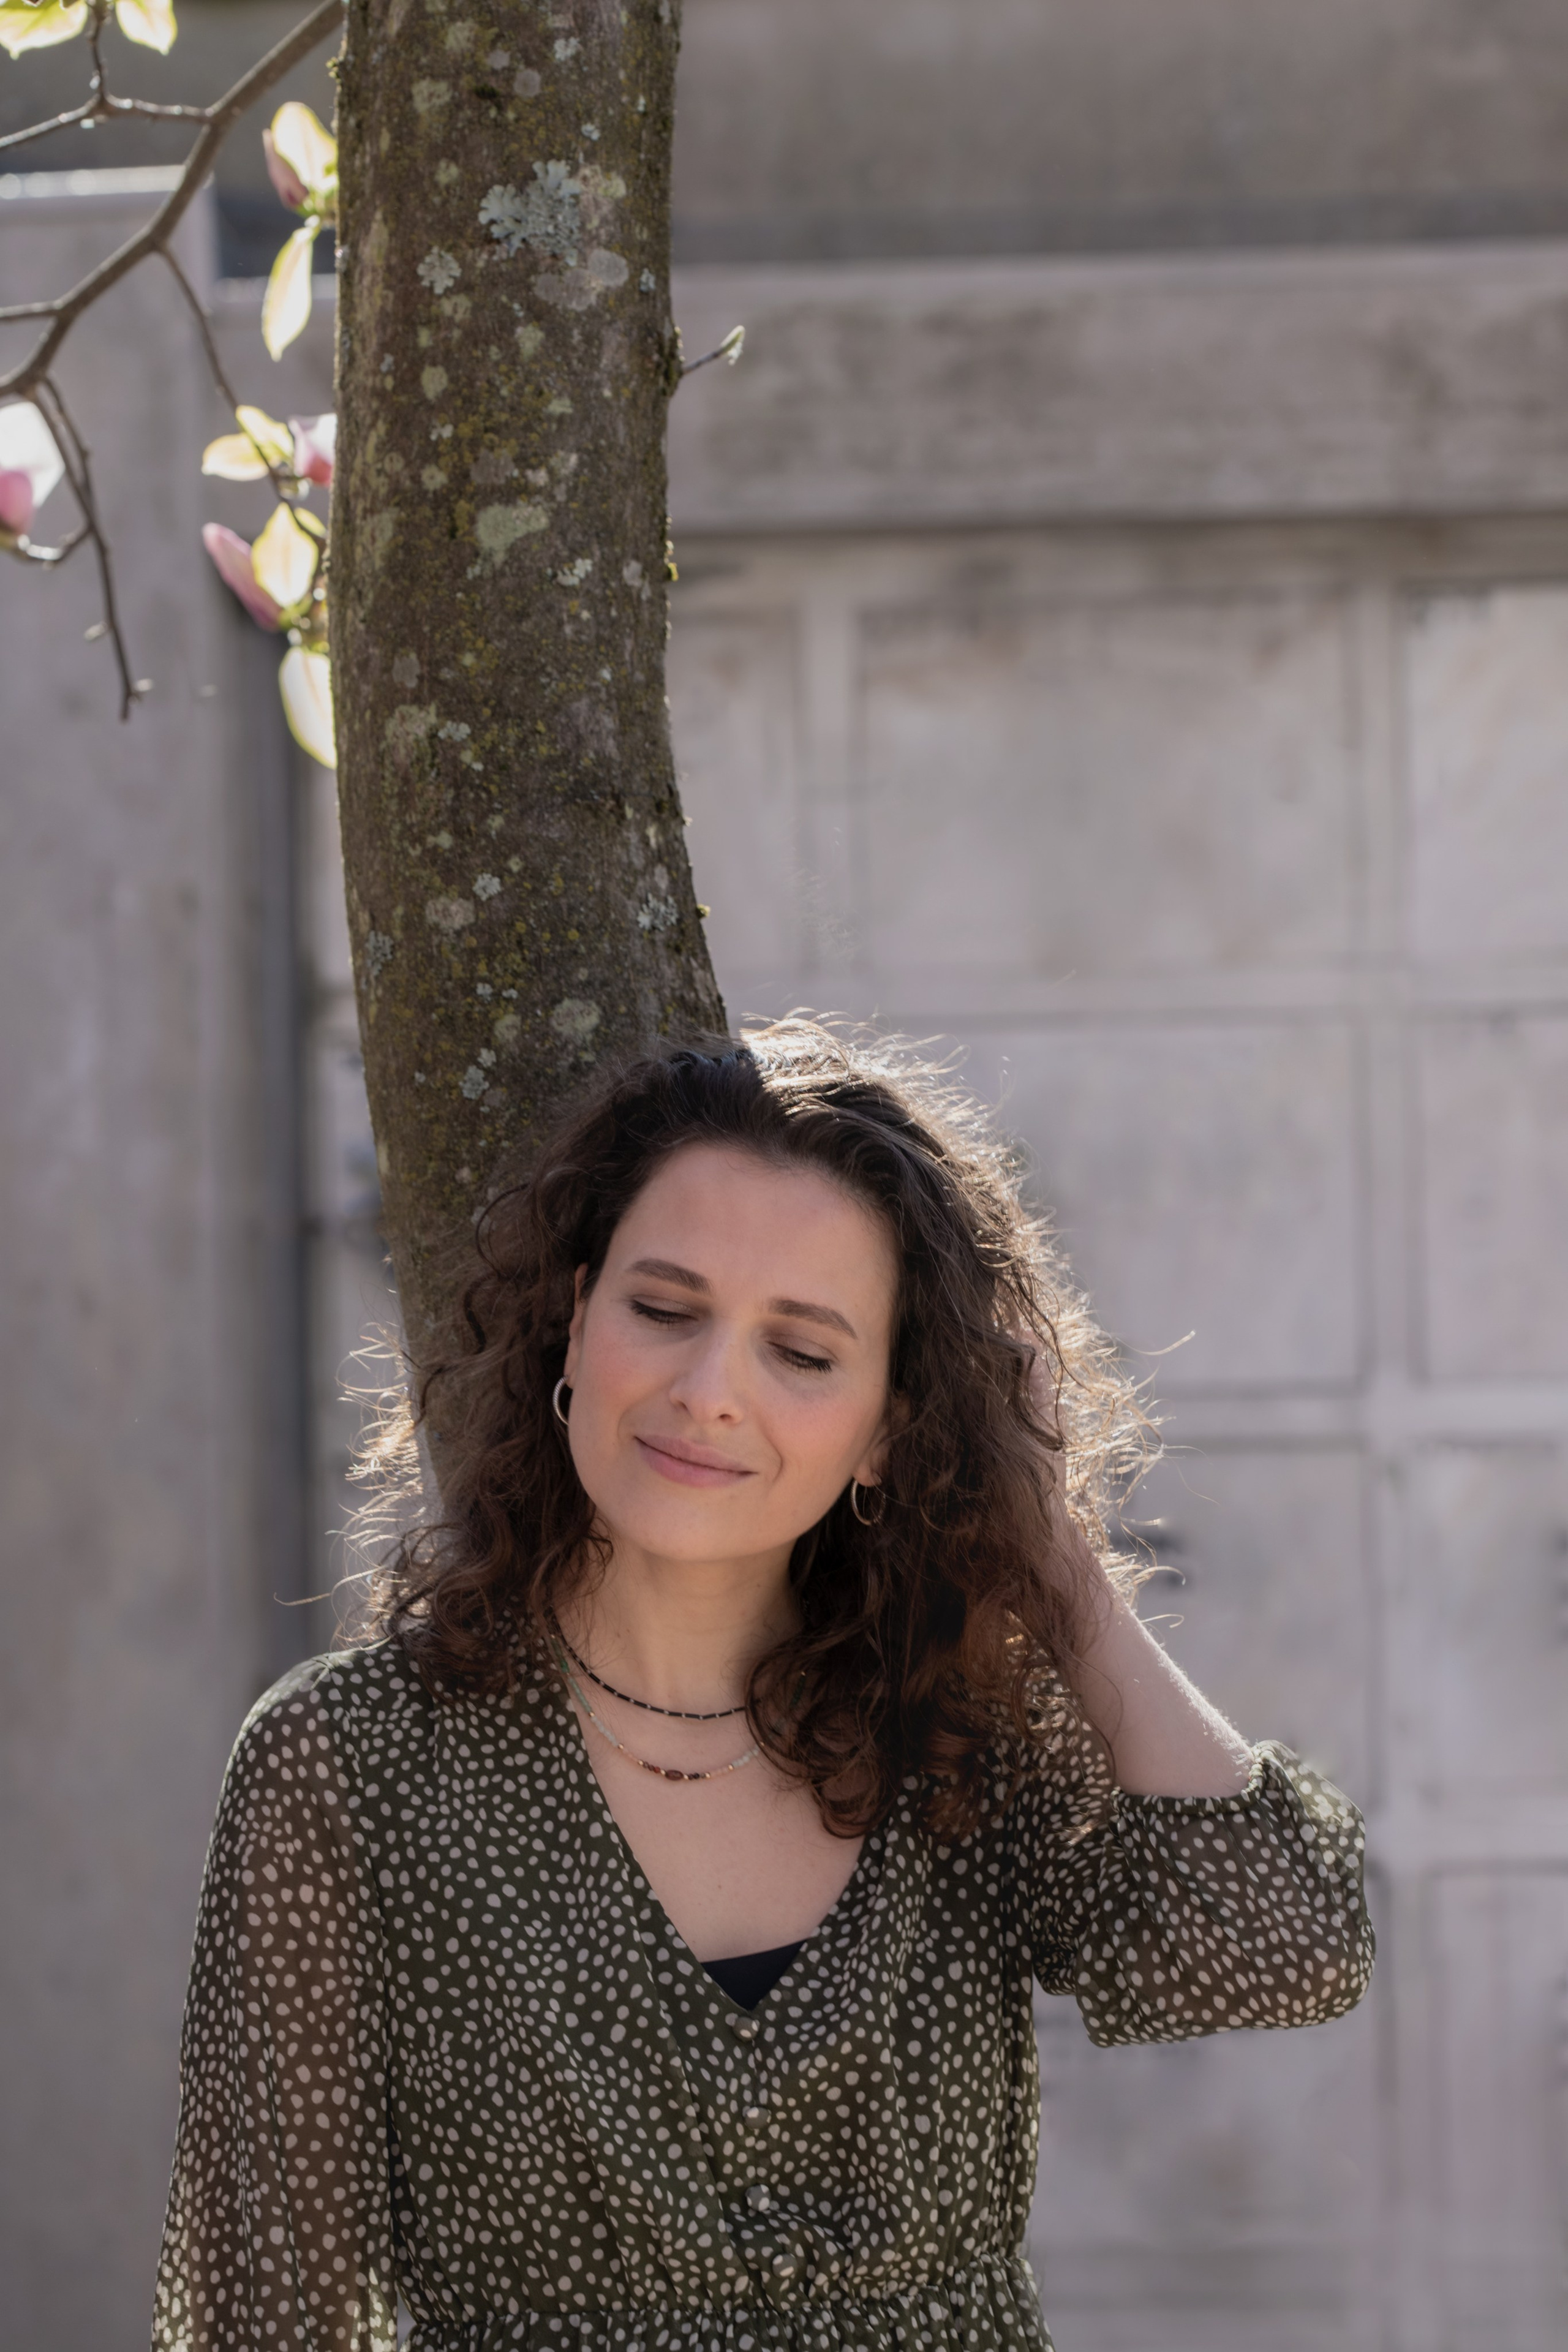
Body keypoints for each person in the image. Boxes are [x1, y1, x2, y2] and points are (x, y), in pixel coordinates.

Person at [151, 1019, 1373, 2352]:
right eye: (663, 1311)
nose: (708, 1390)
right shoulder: (349, 1764)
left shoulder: (958, 1733)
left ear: (886, 1430)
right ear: (573, 1321)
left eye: (801, 1352)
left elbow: (1284, 1946)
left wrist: (1043, 1545)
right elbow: (259, 2315)